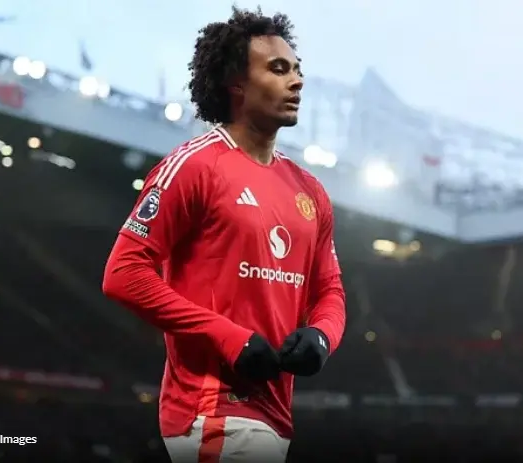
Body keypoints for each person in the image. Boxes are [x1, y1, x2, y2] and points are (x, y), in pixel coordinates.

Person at [101, 6, 346, 463]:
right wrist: (229, 337)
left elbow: (329, 290)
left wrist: (321, 336)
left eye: (297, 69)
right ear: (237, 83)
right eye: (279, 69)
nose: (297, 81)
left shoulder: (310, 191)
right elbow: (123, 273)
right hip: (213, 410)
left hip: (273, 414)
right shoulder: (195, 166)